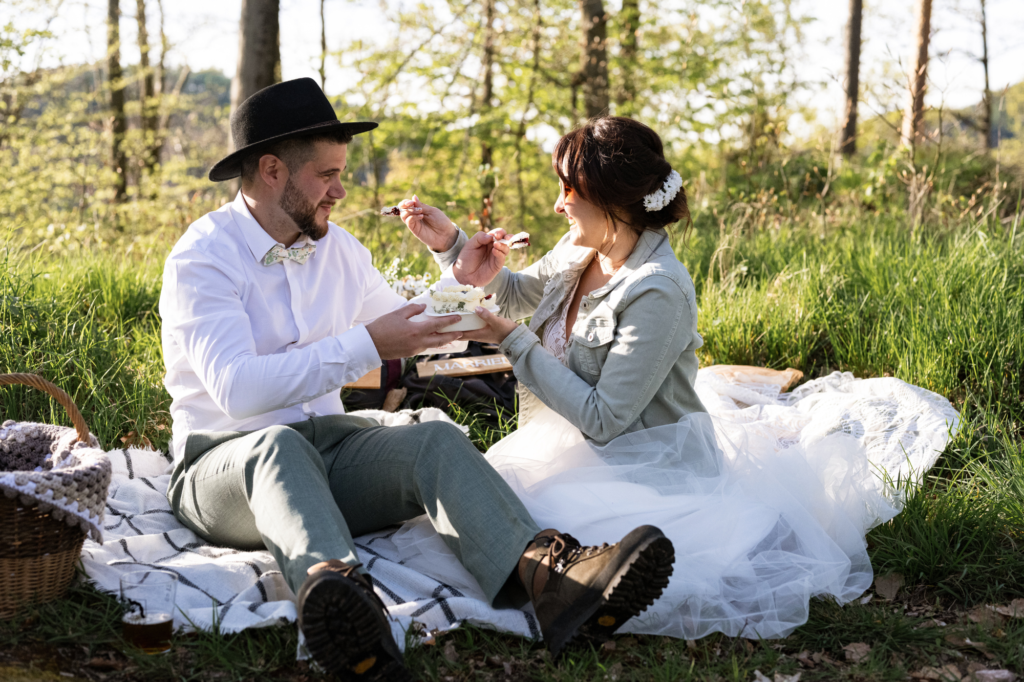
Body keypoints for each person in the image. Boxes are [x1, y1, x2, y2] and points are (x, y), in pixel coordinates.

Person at [158, 81, 676, 681]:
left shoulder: (340, 251)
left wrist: (462, 276)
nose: (341, 190)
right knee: (277, 446)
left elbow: (419, 327)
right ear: (273, 170)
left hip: (324, 447)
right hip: (220, 467)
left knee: (432, 434)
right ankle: (343, 608)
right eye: (327, 175)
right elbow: (237, 391)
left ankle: (553, 579)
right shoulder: (203, 256)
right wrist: (366, 346)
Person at [397, 116, 917, 640]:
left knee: (507, 534)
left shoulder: (658, 290)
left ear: (609, 199)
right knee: (467, 518)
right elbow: (516, 293)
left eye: (568, 189)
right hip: (563, 449)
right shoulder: (584, 247)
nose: (558, 204)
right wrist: (451, 244)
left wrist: (514, 342)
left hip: (640, 470)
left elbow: (604, 419)